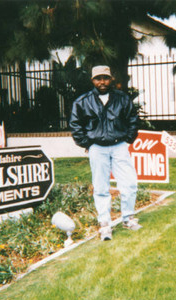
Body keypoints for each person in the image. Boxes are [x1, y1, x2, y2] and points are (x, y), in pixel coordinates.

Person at [70, 65, 141, 241]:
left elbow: (133, 119)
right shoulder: (83, 101)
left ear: (111, 79)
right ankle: (105, 224)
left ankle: (128, 218)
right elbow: (75, 125)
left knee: (129, 183)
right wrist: (89, 144)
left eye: (105, 78)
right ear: (92, 80)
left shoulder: (122, 99)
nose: (102, 82)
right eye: (98, 78)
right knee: (101, 187)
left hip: (119, 147)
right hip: (97, 149)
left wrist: (128, 139)